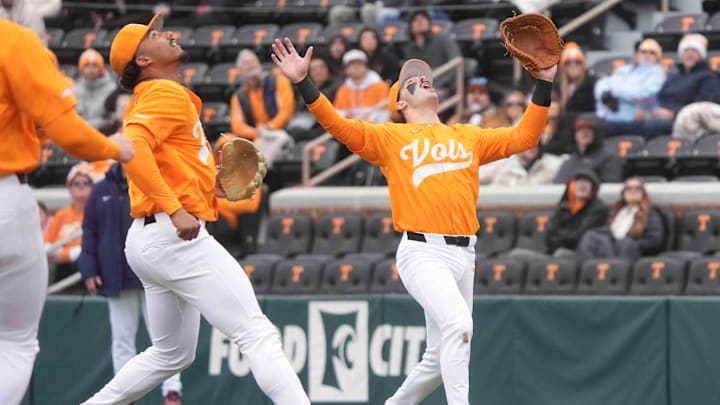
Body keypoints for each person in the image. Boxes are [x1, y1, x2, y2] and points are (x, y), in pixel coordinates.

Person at [271, 36, 556, 405]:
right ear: (400, 103)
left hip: (464, 254)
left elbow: (525, 135)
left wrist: (545, 81)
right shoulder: (392, 137)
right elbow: (339, 126)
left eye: (425, 77)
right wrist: (303, 83)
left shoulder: (467, 135)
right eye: (411, 80)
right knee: (459, 325)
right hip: (423, 251)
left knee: (439, 359)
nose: (423, 79)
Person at [81, 14, 309, 405]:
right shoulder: (164, 94)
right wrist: (174, 209)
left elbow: (159, 161)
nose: (168, 34)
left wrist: (211, 187)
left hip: (147, 239)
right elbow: (131, 150)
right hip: (173, 236)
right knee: (257, 333)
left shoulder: (160, 96)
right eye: (154, 35)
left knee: (172, 354)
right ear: (144, 61)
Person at [0, 18, 133, 405]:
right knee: (14, 342)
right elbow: (67, 131)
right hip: (5, 195)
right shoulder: (13, 40)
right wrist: (116, 148)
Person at [79, 163, 183, 405]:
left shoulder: (153, 181)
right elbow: (90, 231)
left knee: (167, 340)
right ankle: (125, 397)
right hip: (116, 276)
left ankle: (172, 393)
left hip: (153, 273)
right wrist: (89, 269)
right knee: (122, 338)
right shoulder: (101, 189)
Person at [507, 169, 608, 262]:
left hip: (578, 256)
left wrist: (561, 238)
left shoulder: (598, 209)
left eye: (586, 183)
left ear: (593, 188)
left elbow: (578, 236)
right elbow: (550, 236)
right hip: (553, 253)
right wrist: (561, 238)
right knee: (515, 255)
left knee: (561, 254)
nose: (582, 186)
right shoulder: (563, 206)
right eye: (578, 182)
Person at [576, 177, 665, 265]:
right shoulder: (615, 212)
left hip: (628, 252)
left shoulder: (650, 214)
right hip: (609, 248)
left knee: (624, 243)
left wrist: (632, 244)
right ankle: (588, 269)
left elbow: (655, 240)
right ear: (623, 194)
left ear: (643, 193)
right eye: (628, 188)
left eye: (637, 188)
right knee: (590, 236)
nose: (633, 191)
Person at [595, 38, 666, 136]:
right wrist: (609, 92)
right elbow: (602, 84)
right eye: (643, 51)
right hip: (610, 116)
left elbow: (642, 94)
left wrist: (614, 92)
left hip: (634, 119)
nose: (647, 55)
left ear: (658, 57)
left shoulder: (657, 72)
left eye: (652, 52)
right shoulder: (624, 69)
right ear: (637, 55)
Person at [43, 164, 95, 283]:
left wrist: (68, 254)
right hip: (59, 269)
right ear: (70, 188)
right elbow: (46, 242)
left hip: (85, 270)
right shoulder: (61, 214)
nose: (81, 186)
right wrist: (56, 253)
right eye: (76, 183)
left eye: (86, 183)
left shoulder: (97, 214)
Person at [544, 42, 597, 155]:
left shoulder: (592, 83)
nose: (573, 65)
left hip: (584, 123)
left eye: (577, 62)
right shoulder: (557, 86)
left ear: (583, 64)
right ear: (563, 66)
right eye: (568, 62)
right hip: (560, 124)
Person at [553, 113, 623, 184]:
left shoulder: (609, 158)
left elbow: (610, 189)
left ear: (597, 132)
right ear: (574, 133)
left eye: (589, 128)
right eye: (580, 128)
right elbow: (557, 187)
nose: (584, 132)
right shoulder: (569, 160)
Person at [333, 48, 390, 123]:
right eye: (352, 64)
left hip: (377, 129)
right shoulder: (343, 90)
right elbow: (339, 114)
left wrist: (363, 125)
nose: (356, 66)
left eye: (360, 63)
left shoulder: (381, 86)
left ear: (365, 66)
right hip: (352, 130)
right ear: (346, 69)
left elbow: (385, 113)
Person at [72, 49, 119, 129]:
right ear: (81, 69)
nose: (91, 69)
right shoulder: (74, 90)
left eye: (94, 65)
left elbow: (112, 118)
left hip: (104, 133)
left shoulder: (111, 89)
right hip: (79, 132)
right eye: (87, 65)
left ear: (101, 68)